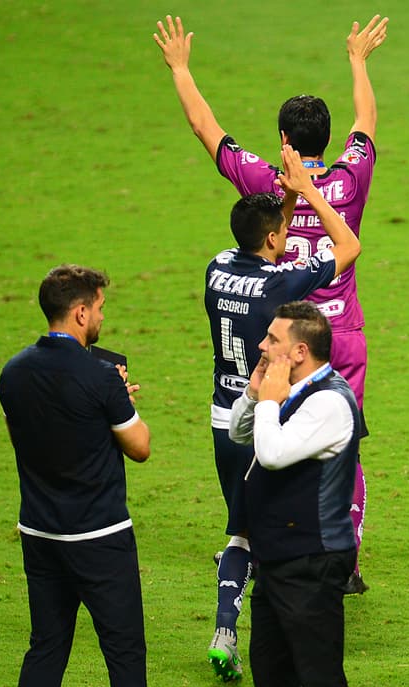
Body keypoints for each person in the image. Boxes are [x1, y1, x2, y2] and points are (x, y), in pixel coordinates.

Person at [154, 12, 387, 594]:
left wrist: (181, 69)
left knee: (273, 435)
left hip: (286, 338)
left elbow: (207, 129)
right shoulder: (349, 179)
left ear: (284, 140)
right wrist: (358, 61)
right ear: (325, 141)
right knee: (341, 442)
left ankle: (259, 540)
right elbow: (369, 121)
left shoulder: (262, 183)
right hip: (343, 336)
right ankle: (345, 552)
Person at [0, 265, 156, 687]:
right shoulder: (99, 380)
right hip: (100, 536)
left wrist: (101, 414)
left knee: (45, 646)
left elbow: (49, 433)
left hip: (40, 534)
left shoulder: (12, 373)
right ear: (81, 311)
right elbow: (139, 446)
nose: (102, 317)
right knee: (124, 652)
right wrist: (121, 404)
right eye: (101, 308)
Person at [203, 148, 362, 682]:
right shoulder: (280, 286)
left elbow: (265, 243)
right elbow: (349, 246)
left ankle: (230, 626)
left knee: (238, 531)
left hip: (223, 417)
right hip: (266, 416)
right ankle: (261, 630)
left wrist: (283, 201)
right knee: (271, 533)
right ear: (275, 238)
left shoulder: (217, 267)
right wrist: (310, 194)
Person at [223, 302, 362, 687]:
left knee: (319, 676)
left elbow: (275, 452)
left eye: (272, 341)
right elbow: (241, 435)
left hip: (313, 558)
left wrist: (270, 401)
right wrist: (256, 391)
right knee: (272, 670)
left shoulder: (330, 402)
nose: (261, 345)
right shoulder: (294, 393)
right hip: (279, 557)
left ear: (300, 352)